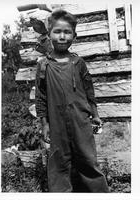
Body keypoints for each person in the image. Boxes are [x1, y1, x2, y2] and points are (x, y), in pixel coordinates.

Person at [35, 9, 109, 192]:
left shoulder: (78, 63)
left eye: (67, 32)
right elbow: (41, 96)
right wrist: (44, 124)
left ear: (74, 36)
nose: (62, 36)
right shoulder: (44, 65)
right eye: (57, 32)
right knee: (58, 162)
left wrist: (96, 114)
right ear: (50, 33)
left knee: (88, 159)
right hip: (57, 122)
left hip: (81, 121)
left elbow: (89, 91)